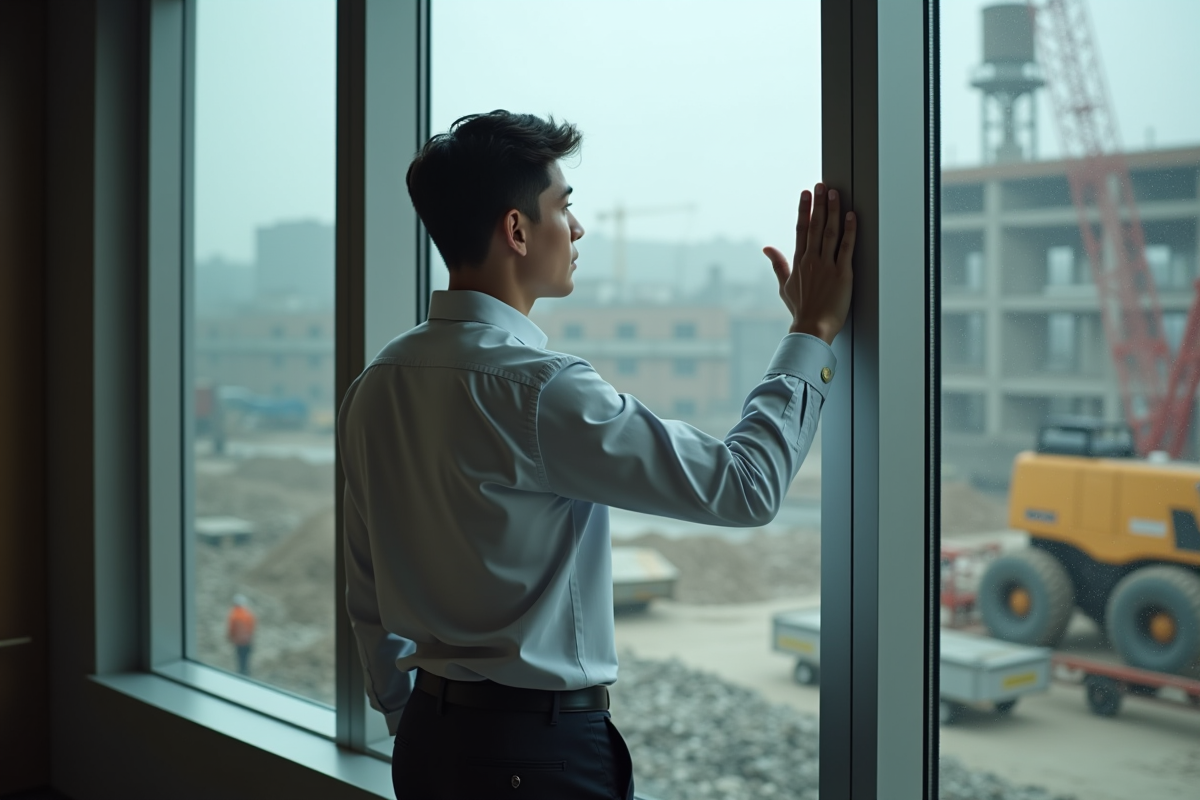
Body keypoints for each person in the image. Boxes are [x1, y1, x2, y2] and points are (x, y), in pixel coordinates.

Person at [338, 110, 856, 800]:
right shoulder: (540, 392)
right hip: (534, 757)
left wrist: (409, 713)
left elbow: (365, 585)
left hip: (431, 744)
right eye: (564, 206)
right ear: (517, 231)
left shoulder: (376, 384)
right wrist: (812, 331)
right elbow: (744, 487)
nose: (577, 229)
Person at [226, 594, 256, 676]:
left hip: (238, 641)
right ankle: (246, 671)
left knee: (240, 658)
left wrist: (230, 637)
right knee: (246, 657)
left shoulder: (234, 615)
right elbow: (252, 626)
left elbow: (231, 628)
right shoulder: (248, 614)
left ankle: (241, 672)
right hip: (247, 640)